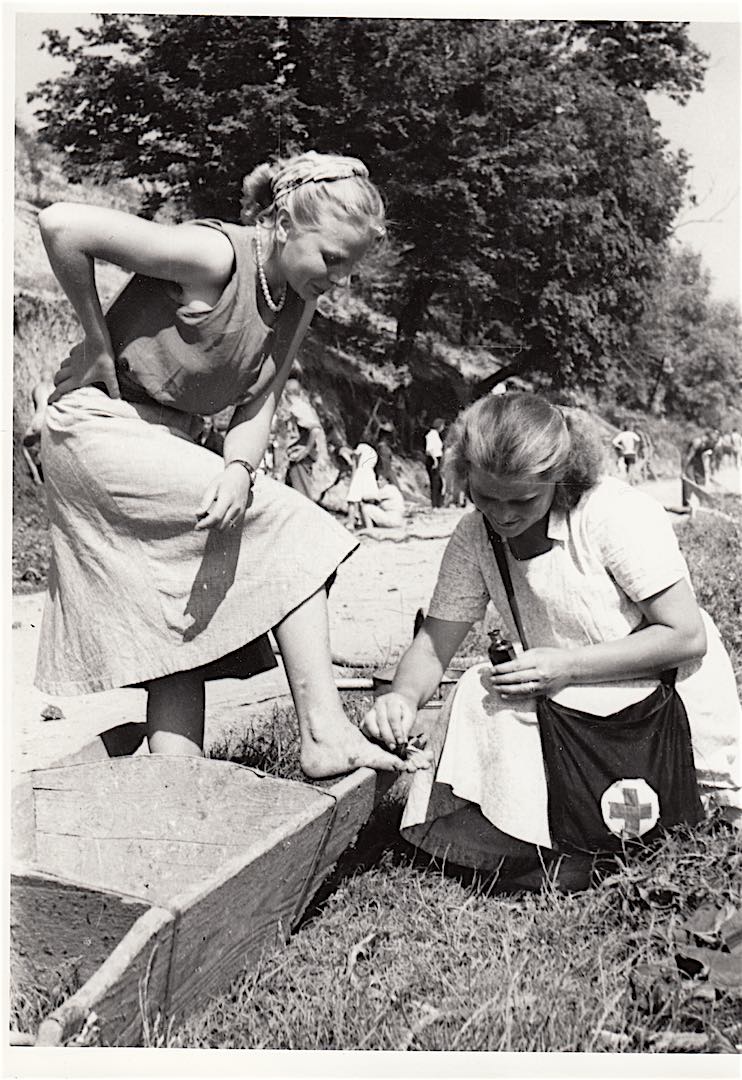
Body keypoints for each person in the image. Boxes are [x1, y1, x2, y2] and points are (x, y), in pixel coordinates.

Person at [35, 149, 427, 779]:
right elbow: (62, 226)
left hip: (168, 441)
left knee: (182, 605)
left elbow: (259, 402)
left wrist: (239, 470)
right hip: (97, 429)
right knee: (295, 527)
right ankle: (324, 733)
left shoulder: (296, 299)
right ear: (285, 224)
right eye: (332, 259)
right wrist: (97, 341)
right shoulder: (217, 256)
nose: (338, 280)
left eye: (350, 269)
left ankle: (177, 773)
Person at [363, 393, 740, 875]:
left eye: (523, 500)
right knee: (476, 688)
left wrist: (567, 666)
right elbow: (435, 644)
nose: (502, 516)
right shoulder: (475, 536)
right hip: (569, 692)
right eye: (485, 497)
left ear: (561, 479)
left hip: (659, 692)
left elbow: (686, 636)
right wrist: (402, 697)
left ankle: (577, 840)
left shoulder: (612, 513)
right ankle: (567, 836)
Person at [284, 381, 324, 502]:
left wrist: (306, 450)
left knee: (302, 497)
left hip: (300, 458)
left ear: (285, 393)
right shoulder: (299, 407)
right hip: (297, 457)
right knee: (293, 495)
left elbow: (315, 429)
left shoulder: (298, 408)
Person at [357, 457, 406, 531]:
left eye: (381, 480)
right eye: (377, 480)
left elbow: (369, 497)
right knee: (372, 507)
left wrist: (359, 494)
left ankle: (370, 530)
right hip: (397, 519)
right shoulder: (393, 489)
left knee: (366, 508)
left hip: (393, 519)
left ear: (387, 481)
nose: (378, 482)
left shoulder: (388, 489)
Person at [344, 442, 380, 530]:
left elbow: (354, 462)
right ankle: (366, 522)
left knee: (352, 499)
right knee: (367, 500)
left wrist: (353, 478)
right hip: (370, 474)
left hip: (361, 472)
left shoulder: (361, 446)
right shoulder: (373, 452)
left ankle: (350, 522)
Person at [424, 418, 446, 508]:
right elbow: (428, 450)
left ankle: (438, 504)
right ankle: (435, 504)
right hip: (433, 459)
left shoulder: (436, 434)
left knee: (438, 483)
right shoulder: (432, 435)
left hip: (436, 459)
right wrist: (435, 461)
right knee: (435, 483)